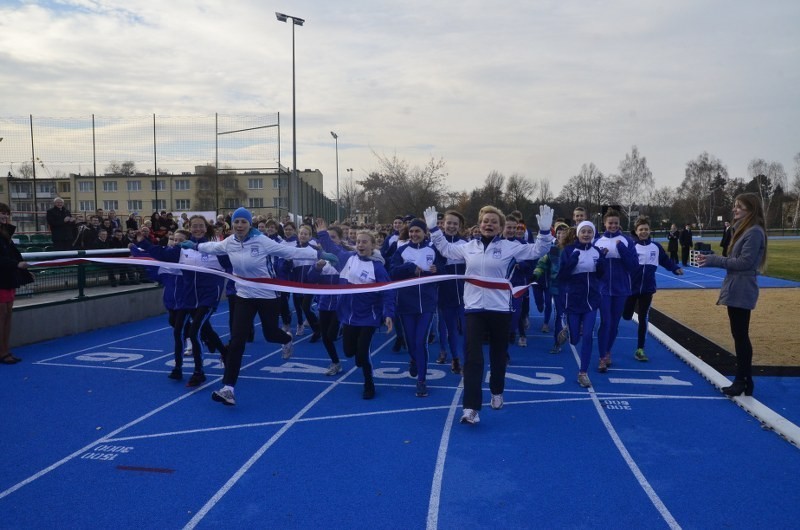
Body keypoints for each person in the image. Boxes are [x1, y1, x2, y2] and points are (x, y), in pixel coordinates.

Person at [425, 204, 554, 425]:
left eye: (494, 221)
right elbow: (445, 249)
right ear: (479, 223)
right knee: (473, 359)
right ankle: (471, 409)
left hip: (500, 309)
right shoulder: (468, 247)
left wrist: (544, 232)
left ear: (501, 227)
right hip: (474, 310)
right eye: (486, 221)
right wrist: (434, 230)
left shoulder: (509, 247)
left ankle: (496, 390)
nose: (489, 224)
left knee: (498, 356)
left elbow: (538, 251)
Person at [196, 207, 318, 406]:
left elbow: (290, 251)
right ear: (232, 224)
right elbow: (212, 248)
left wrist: (317, 253)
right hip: (244, 295)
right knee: (236, 342)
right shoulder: (229, 242)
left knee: (271, 334)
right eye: (236, 222)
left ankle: (286, 339)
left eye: (243, 222)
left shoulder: (261, 240)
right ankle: (228, 389)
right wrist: (193, 245)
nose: (239, 225)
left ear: (249, 224)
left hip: (267, 295)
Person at [697, 193, 767, 397]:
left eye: (739, 207)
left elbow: (745, 262)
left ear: (750, 210)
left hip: (742, 287)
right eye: (735, 206)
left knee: (741, 335)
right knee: (739, 334)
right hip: (737, 286)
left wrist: (714, 260)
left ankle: (742, 380)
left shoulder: (753, 232)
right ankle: (745, 380)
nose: (735, 210)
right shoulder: (743, 230)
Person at [336, 230, 395, 399]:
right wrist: (323, 235)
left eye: (364, 242)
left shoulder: (377, 268)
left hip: (369, 317)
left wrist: (388, 314)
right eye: (358, 242)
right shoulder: (349, 259)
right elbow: (332, 250)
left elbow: (388, 291)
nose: (360, 245)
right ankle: (359, 356)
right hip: (349, 316)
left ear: (373, 246)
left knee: (363, 354)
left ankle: (369, 384)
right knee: (348, 352)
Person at [390, 219, 443, 397]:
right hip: (406, 304)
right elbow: (392, 272)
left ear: (424, 233)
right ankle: (413, 359)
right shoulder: (402, 250)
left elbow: (443, 268)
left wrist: (438, 269)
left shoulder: (433, 249)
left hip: (427, 303)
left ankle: (421, 380)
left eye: (417, 231)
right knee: (411, 341)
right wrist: (410, 267)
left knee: (421, 341)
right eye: (411, 231)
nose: (414, 234)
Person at [622, 216, 683, 361]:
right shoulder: (631, 246)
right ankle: (625, 312)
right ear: (636, 231)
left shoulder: (656, 247)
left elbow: (665, 260)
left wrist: (675, 268)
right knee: (626, 316)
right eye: (641, 229)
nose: (643, 232)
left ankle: (640, 349)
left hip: (648, 289)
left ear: (650, 230)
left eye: (646, 229)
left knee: (643, 318)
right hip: (631, 289)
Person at [558, 221, 605, 387]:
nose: (586, 234)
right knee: (574, 340)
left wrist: (601, 267)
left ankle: (583, 373)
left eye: (589, 232)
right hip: (573, 299)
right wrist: (571, 262)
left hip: (591, 300)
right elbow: (562, 276)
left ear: (593, 234)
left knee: (588, 336)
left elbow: (600, 276)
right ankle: (569, 332)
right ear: (577, 234)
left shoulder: (597, 251)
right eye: (583, 231)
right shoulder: (569, 251)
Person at [594, 209, 638, 373]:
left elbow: (633, 266)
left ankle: (607, 351)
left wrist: (623, 251)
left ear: (620, 224)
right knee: (605, 322)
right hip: (603, 289)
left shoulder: (626, 241)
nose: (613, 225)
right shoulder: (597, 242)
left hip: (621, 289)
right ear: (604, 224)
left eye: (615, 223)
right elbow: (594, 268)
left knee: (614, 324)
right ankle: (602, 357)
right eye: (610, 223)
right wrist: (602, 259)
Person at [435, 210, 467, 374]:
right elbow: (432, 265)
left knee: (468, 329)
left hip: (466, 294)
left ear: (460, 226)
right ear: (443, 224)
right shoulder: (435, 244)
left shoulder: (466, 243)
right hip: (445, 293)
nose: (452, 226)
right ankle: (455, 358)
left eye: (455, 223)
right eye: (449, 223)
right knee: (451, 329)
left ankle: (468, 359)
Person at [0, 203, 29, 364]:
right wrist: (16, 265)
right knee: (2, 315)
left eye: (6, 213)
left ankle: (5, 350)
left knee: (8, 314)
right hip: (1, 280)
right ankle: (2, 352)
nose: (4, 216)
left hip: (8, 278)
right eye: (1, 213)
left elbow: (14, 255)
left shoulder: (5, 234)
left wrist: (23, 269)